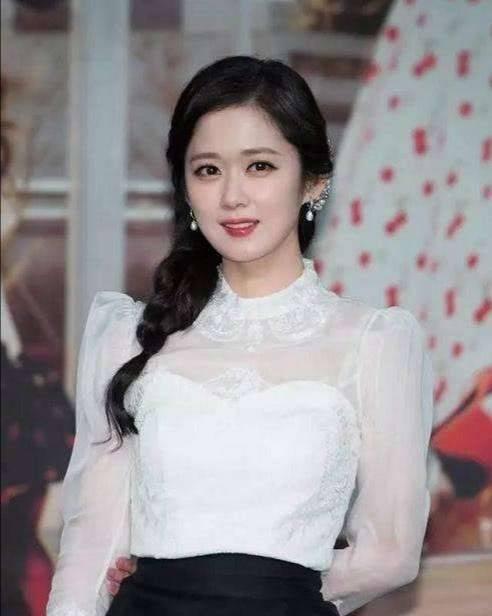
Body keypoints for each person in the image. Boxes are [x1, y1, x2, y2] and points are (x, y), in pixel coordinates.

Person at [46, 55, 434, 616]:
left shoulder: (374, 342)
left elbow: (391, 553)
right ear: (185, 188)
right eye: (208, 170)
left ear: (314, 180)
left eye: (259, 166)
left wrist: (274, 593)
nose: (232, 196)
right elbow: (89, 545)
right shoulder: (128, 336)